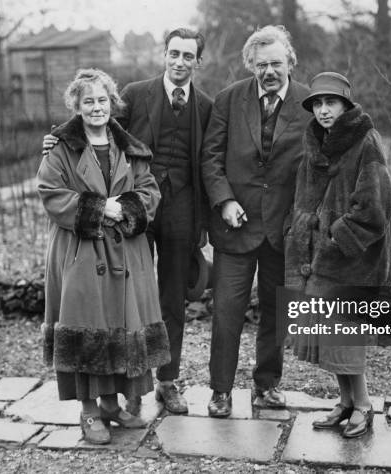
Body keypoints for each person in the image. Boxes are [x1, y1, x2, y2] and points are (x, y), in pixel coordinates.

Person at [42, 29, 213, 414]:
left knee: (168, 298)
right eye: (174, 53)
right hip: (120, 213)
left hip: (176, 209)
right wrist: (54, 141)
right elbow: (90, 125)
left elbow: (210, 159)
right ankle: (125, 389)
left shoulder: (205, 105)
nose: (180, 61)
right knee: (120, 296)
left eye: (189, 55)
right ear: (164, 55)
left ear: (198, 61)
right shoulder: (136, 93)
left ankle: (166, 382)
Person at [37, 68, 169, 445]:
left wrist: (124, 208)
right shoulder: (61, 150)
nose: (97, 108)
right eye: (88, 101)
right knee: (86, 330)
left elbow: (149, 190)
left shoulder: (130, 147)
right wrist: (98, 209)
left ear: (113, 103)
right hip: (81, 254)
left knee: (120, 327)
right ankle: (90, 410)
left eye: (102, 100)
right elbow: (51, 192)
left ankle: (112, 404)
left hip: (127, 253)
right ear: (76, 107)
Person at [201, 25, 310, 418]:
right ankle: (221, 392)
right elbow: (210, 158)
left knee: (276, 313)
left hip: (284, 231)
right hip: (235, 227)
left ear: (290, 63)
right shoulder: (229, 100)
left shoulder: (309, 102)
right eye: (261, 64)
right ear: (251, 65)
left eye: (276, 63)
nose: (269, 71)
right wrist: (224, 201)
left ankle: (267, 386)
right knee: (227, 312)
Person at [284, 72, 391, 438]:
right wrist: (299, 231)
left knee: (346, 337)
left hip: (352, 259)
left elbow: (377, 207)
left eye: (330, 102)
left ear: (346, 105)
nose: (323, 110)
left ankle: (363, 405)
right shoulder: (316, 142)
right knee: (329, 336)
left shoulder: (366, 140)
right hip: (317, 258)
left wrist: (337, 237)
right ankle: (345, 401)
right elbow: (303, 196)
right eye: (317, 104)